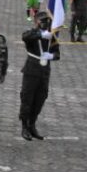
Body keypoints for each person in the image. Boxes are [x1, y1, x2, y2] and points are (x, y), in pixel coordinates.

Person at [20, 11, 60, 140]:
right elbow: (25, 37)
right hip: (31, 70)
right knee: (27, 99)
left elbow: (57, 54)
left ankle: (32, 124)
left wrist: (51, 56)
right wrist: (40, 34)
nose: (46, 23)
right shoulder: (33, 33)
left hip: (44, 72)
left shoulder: (51, 37)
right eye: (43, 21)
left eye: (47, 21)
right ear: (36, 21)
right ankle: (24, 126)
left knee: (40, 99)